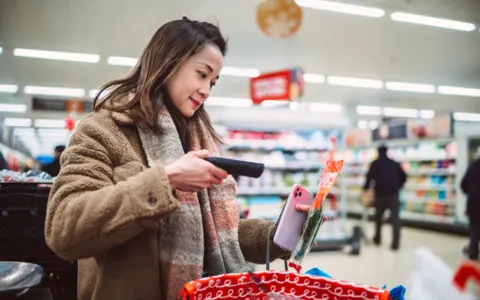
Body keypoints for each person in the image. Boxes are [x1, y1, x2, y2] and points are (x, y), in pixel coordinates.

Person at [45, 18, 310, 300]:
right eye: (202, 74)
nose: (206, 90)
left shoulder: (199, 137)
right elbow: (63, 228)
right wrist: (166, 180)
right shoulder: (102, 130)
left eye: (213, 82)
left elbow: (215, 233)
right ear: (168, 62)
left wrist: (279, 234)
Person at [363, 145, 407, 250]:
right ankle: (395, 243)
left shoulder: (375, 164)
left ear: (378, 152)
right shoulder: (394, 163)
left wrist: (365, 188)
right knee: (395, 219)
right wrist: (398, 186)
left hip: (380, 195)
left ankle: (377, 239)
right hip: (393, 194)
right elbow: (404, 176)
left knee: (378, 218)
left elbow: (369, 178)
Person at [461, 157, 480, 260]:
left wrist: (471, 193)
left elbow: (463, 185)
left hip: (473, 205)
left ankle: (473, 253)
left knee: (474, 230)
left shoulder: (472, 168)